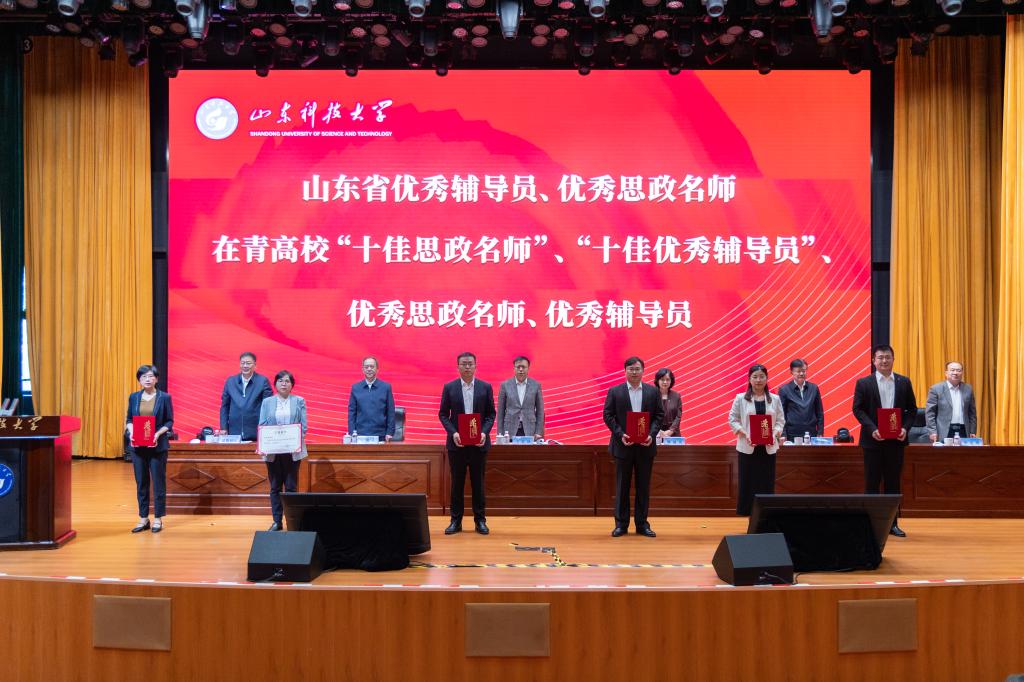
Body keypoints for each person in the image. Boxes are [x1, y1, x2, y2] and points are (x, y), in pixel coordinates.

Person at [852, 344, 918, 537]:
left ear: (893, 359)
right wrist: (872, 429)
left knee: (893, 483)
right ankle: (870, 525)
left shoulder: (904, 382)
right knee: (872, 483)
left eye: (887, 357)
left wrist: (905, 428)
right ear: (874, 361)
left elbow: (912, 410)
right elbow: (858, 409)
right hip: (873, 441)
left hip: (896, 441)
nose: (884, 361)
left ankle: (892, 524)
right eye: (880, 357)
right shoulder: (864, 383)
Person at [603, 356, 663, 538]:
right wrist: (620, 434)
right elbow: (608, 415)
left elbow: (659, 415)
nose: (634, 372)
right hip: (623, 446)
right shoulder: (615, 391)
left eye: (637, 369)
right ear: (625, 371)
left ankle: (642, 524)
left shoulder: (653, 392)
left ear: (643, 371)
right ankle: (621, 525)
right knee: (622, 487)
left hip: (645, 446)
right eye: (631, 369)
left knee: (643, 487)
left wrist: (651, 434)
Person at [438, 352, 496, 535]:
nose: (467, 367)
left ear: (476, 366)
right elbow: (443, 414)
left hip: (479, 445)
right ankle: (455, 521)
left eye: (470, 363)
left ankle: (480, 521)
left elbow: (491, 414)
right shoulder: (450, 387)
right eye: (464, 364)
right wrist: (453, 433)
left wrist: (484, 433)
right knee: (457, 484)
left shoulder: (485, 387)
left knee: (478, 484)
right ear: (458, 367)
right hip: (457, 445)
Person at [728, 364, 786, 516]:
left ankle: (765, 517)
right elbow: (733, 420)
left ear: (767, 379)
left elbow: (780, 421)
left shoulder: (775, 399)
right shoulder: (741, 398)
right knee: (748, 484)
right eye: (755, 377)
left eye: (761, 376)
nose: (758, 380)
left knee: (766, 483)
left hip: (768, 449)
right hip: (747, 448)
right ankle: (748, 517)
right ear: (749, 379)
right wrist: (745, 434)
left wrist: (774, 434)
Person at [125, 364, 174, 534]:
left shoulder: (164, 397)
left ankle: (158, 518)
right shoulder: (134, 397)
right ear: (139, 380)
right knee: (141, 483)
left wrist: (158, 434)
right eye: (144, 377)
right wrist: (132, 432)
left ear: (156, 379)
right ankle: (143, 518)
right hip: (138, 447)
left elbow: (169, 421)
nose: (147, 379)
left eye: (151, 376)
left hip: (157, 446)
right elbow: (129, 419)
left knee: (158, 483)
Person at [258, 370, 308, 531]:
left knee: (291, 487)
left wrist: (292, 439)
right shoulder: (267, 402)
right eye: (280, 381)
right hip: (273, 452)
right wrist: (265, 443)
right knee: (275, 487)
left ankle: (292, 521)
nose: (283, 384)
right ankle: (277, 521)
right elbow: (262, 425)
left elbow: (303, 427)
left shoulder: (299, 401)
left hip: (292, 451)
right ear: (275, 384)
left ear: (292, 384)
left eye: (287, 381)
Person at [219, 351, 273, 441]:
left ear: (255, 365)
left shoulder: (262, 381)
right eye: (242, 363)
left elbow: (268, 407)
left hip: (257, 432)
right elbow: (225, 406)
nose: (245, 366)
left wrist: (266, 428)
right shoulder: (230, 381)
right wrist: (223, 427)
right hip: (234, 432)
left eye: (248, 363)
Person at [925, 361, 978, 442]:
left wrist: (972, 431)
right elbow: (930, 412)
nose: (955, 373)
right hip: (943, 431)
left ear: (962, 373)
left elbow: (972, 413)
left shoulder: (968, 389)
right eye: (952, 370)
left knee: (964, 451)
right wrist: (932, 431)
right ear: (946, 373)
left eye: (958, 370)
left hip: (964, 430)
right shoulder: (936, 389)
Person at [347, 356, 396, 441]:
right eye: (366, 367)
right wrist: (352, 432)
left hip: (381, 435)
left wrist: (389, 432)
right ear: (363, 369)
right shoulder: (356, 388)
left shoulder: (386, 387)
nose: (369, 369)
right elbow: (352, 412)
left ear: (377, 369)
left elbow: (390, 411)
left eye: (372, 366)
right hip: (360, 435)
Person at [496, 356, 545, 440]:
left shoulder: (536, 385)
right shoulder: (505, 385)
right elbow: (500, 411)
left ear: (528, 368)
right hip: (509, 430)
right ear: (514, 369)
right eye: (518, 367)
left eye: (523, 367)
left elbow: (540, 411)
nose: (521, 369)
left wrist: (538, 432)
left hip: (530, 430)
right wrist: (500, 433)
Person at [778, 359, 825, 441]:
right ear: (791, 372)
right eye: (798, 371)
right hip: (792, 434)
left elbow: (819, 412)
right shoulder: (784, 389)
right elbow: (781, 414)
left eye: (804, 371)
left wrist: (820, 432)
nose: (802, 374)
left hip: (812, 433)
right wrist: (783, 433)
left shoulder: (814, 388)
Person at [654, 368, 682, 439]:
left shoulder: (676, 396)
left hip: (673, 434)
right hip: (656, 433)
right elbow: (650, 415)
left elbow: (678, 416)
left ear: (671, 381)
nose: (665, 382)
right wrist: (658, 430)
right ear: (657, 380)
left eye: (667, 379)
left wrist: (671, 431)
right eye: (662, 379)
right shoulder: (652, 395)